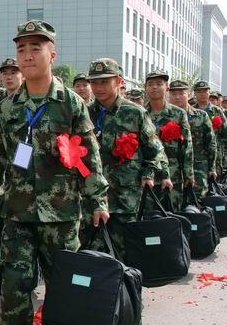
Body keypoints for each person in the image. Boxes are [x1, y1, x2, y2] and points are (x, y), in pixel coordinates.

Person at [0, 21, 108, 325]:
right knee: (15, 284)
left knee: (60, 285)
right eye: (22, 49)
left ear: (53, 54)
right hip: (17, 213)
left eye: (36, 47)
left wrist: (97, 198)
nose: (28, 54)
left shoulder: (71, 104)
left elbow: (89, 155)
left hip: (62, 214)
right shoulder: (6, 108)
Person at [87, 58, 167, 255]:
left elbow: (155, 150)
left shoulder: (135, 113)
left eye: (105, 81)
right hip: (92, 196)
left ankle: (125, 285)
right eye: (94, 82)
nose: (98, 87)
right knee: (93, 250)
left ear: (119, 81)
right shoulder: (84, 113)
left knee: (124, 248)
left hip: (126, 195)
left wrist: (148, 174)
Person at [144, 71, 193, 210]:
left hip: (173, 175)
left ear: (167, 88)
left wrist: (188, 174)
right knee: (147, 219)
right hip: (147, 177)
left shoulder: (178, 114)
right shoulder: (140, 113)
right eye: (150, 84)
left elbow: (186, 146)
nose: (155, 87)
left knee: (172, 218)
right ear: (145, 88)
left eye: (159, 84)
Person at [169, 80, 216, 196]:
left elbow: (210, 143)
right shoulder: (165, 117)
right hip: (172, 169)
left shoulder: (201, 116)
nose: (177, 97)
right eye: (174, 94)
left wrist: (212, 168)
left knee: (197, 202)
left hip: (197, 168)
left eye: (181, 93)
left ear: (189, 94)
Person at [193, 81, 227, 174]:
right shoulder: (191, 111)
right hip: (196, 155)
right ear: (195, 93)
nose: (202, 94)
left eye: (205, 91)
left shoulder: (216, 111)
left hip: (215, 153)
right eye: (199, 92)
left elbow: (226, 132)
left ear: (209, 92)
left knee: (215, 182)